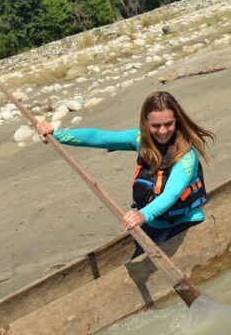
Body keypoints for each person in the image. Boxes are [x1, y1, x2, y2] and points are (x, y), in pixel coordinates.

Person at [37, 91, 214, 257]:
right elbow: (99, 137)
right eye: (155, 125)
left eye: (168, 124)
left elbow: (172, 194)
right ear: (146, 123)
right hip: (154, 224)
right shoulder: (140, 140)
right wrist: (57, 134)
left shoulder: (186, 156)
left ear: (177, 121)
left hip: (186, 223)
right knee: (139, 259)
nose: (162, 131)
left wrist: (142, 215)